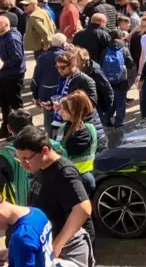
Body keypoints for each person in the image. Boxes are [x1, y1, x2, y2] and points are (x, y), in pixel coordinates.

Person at [14, 127, 95, 264]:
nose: (23, 165)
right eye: (19, 159)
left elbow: (83, 208)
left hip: (69, 247)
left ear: (44, 151)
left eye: (26, 159)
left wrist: (58, 244)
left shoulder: (64, 173)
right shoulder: (41, 165)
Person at [54, 90, 98, 197]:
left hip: (81, 178)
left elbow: (69, 149)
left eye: (64, 109)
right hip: (68, 175)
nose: (60, 112)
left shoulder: (85, 130)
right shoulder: (66, 125)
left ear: (75, 110)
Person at [0, 196, 57, 266]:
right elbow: (35, 248)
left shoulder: (22, 236)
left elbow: (25, 242)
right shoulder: (37, 213)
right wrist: (11, 253)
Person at [31, 33, 66, 138]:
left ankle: (51, 141)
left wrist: (36, 96)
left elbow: (36, 78)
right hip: (63, 93)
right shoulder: (67, 56)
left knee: (48, 119)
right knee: (64, 119)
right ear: (63, 44)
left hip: (45, 93)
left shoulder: (42, 57)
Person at [100, 29, 134, 128]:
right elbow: (130, 63)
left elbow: (101, 63)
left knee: (111, 100)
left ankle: (107, 119)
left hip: (107, 79)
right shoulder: (124, 49)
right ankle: (119, 122)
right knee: (121, 100)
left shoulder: (105, 49)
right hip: (121, 79)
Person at [0, 15, 26, 138]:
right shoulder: (3, 36)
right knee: (5, 103)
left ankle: (21, 130)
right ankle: (6, 128)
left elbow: (17, 57)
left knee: (15, 104)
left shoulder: (12, 37)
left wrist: (3, 63)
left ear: (5, 25)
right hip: (4, 75)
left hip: (13, 76)